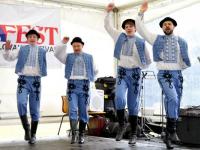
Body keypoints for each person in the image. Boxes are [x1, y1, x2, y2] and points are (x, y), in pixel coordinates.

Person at [136, 1, 191, 149]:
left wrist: (178, 70)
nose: (167, 25)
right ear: (162, 27)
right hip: (164, 74)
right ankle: (171, 132)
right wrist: (141, 13)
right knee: (172, 98)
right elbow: (141, 30)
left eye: (169, 24)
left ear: (173, 26)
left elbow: (185, 61)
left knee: (174, 102)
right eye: (164, 24)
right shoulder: (156, 39)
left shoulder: (182, 42)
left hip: (177, 74)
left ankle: (168, 134)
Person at [104, 3, 151, 145]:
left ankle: (134, 133)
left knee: (133, 104)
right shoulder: (119, 36)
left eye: (131, 25)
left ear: (136, 28)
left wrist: (140, 66)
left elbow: (148, 61)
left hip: (135, 73)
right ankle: (122, 124)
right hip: (122, 72)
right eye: (126, 26)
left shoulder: (141, 42)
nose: (128, 27)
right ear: (124, 29)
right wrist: (109, 12)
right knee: (118, 97)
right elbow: (108, 27)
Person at [3, 29, 47, 144]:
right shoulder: (21, 49)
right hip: (23, 80)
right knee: (21, 102)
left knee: (35, 108)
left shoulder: (42, 51)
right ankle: (26, 128)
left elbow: (43, 66)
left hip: (36, 81)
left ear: (38, 39)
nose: (32, 38)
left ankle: (33, 134)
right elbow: (9, 58)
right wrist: (7, 49)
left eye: (34, 37)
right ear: (27, 39)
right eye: (30, 37)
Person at [54, 36, 98, 144]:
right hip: (72, 85)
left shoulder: (89, 57)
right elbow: (57, 54)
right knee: (72, 110)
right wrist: (63, 43)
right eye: (74, 46)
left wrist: (91, 79)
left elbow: (95, 70)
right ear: (72, 47)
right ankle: (74, 134)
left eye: (78, 45)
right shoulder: (68, 57)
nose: (76, 47)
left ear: (82, 45)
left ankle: (81, 134)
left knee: (83, 111)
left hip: (84, 85)